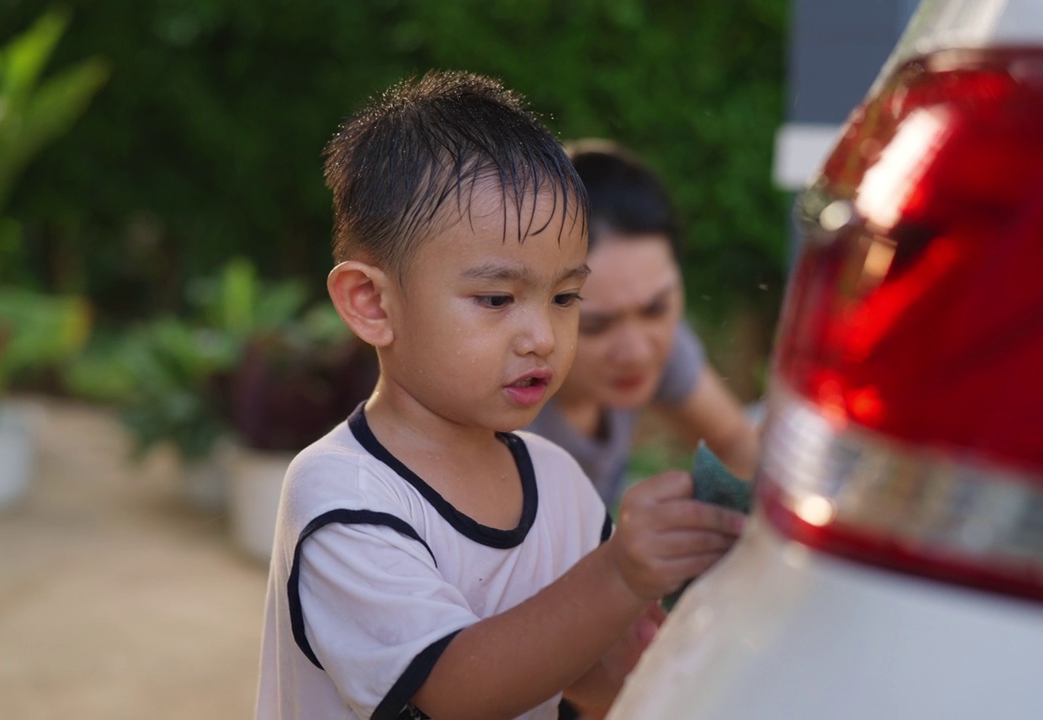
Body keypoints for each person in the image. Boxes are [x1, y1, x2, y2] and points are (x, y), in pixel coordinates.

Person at [255, 71, 745, 720]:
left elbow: (578, 682)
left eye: (566, 297)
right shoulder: (342, 496)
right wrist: (618, 574)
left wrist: (637, 639)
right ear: (372, 302)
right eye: (496, 299)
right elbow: (457, 690)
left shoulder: (561, 484)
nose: (542, 336)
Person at [527, 139, 762, 507]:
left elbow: (736, 441)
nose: (636, 351)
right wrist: (618, 563)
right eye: (595, 326)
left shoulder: (653, 340)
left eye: (657, 308)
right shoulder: (502, 415)